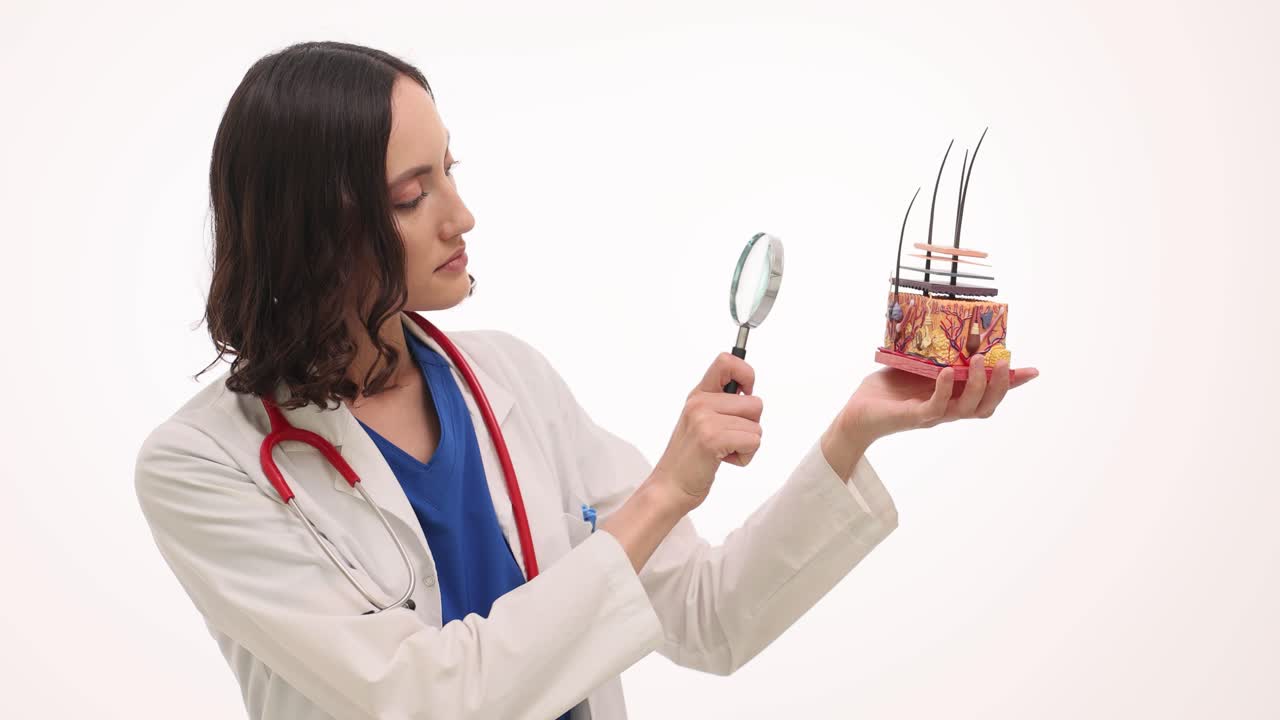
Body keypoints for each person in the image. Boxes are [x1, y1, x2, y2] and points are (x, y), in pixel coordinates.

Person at [134, 40, 1038, 720]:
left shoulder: (507, 379)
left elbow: (711, 617)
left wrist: (852, 434)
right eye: (412, 195)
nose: (461, 215)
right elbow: (426, 698)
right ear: (314, 227)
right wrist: (662, 497)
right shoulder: (205, 466)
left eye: (451, 170)